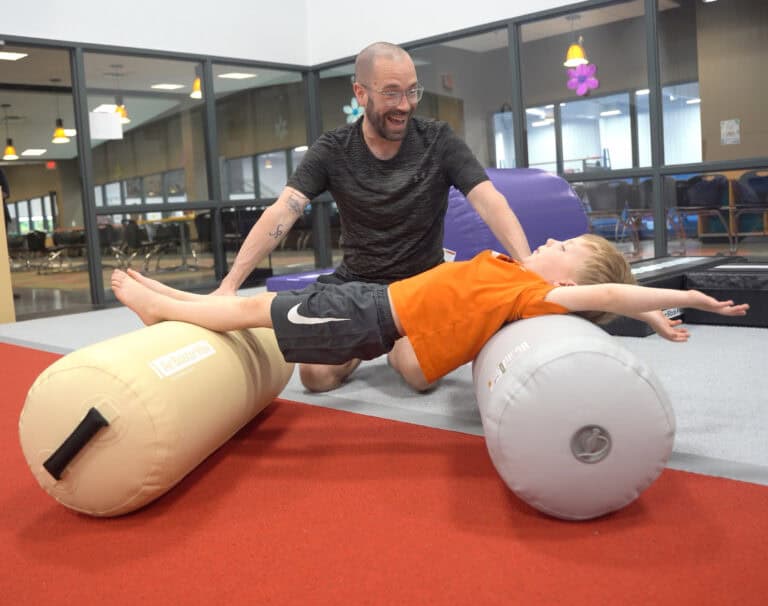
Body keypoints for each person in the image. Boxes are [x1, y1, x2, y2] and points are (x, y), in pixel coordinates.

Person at [213, 41, 533, 393]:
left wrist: (528, 262)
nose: (405, 105)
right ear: (360, 93)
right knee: (315, 378)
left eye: (412, 91)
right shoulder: (333, 149)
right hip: (356, 285)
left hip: (421, 285)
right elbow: (284, 210)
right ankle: (369, 337)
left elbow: (488, 200)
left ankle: (391, 339)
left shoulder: (438, 140)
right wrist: (230, 285)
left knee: (417, 373)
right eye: (392, 93)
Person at [112, 234, 749, 387]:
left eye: (565, 247)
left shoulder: (535, 294)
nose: (550, 241)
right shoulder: (509, 269)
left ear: (572, 280)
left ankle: (164, 311)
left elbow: (612, 296)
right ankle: (180, 302)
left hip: (375, 315)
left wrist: (677, 301)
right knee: (271, 309)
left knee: (263, 310)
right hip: (378, 306)